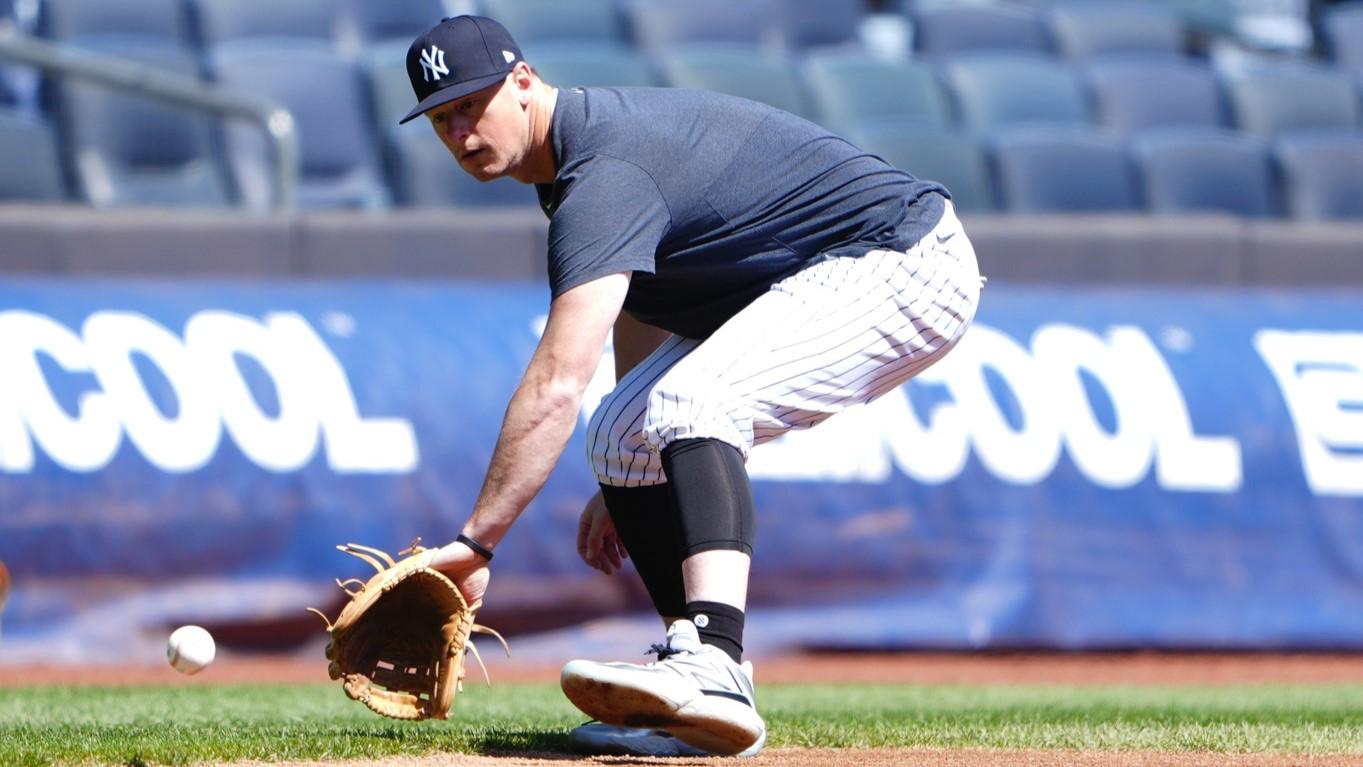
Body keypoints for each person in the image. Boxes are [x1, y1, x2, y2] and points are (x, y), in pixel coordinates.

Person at [405, 15, 983, 758]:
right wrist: (638, 468)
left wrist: (474, 544)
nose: (458, 131)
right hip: (824, 270)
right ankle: (700, 697)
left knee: (694, 401)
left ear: (523, 83)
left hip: (903, 257)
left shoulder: (603, 171)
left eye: (470, 103)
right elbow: (639, 312)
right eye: (441, 117)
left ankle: (713, 660)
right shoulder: (572, 168)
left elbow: (556, 380)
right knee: (619, 436)